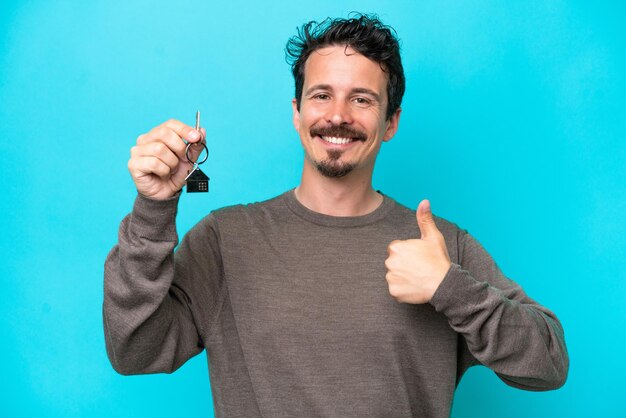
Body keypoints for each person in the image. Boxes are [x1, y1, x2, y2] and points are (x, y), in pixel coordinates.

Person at [103, 14, 569, 417]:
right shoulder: (227, 240)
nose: (338, 115)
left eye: (362, 99)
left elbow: (549, 363)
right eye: (322, 95)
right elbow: (134, 349)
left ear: (391, 123)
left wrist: (449, 287)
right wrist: (153, 209)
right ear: (297, 111)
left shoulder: (442, 248)